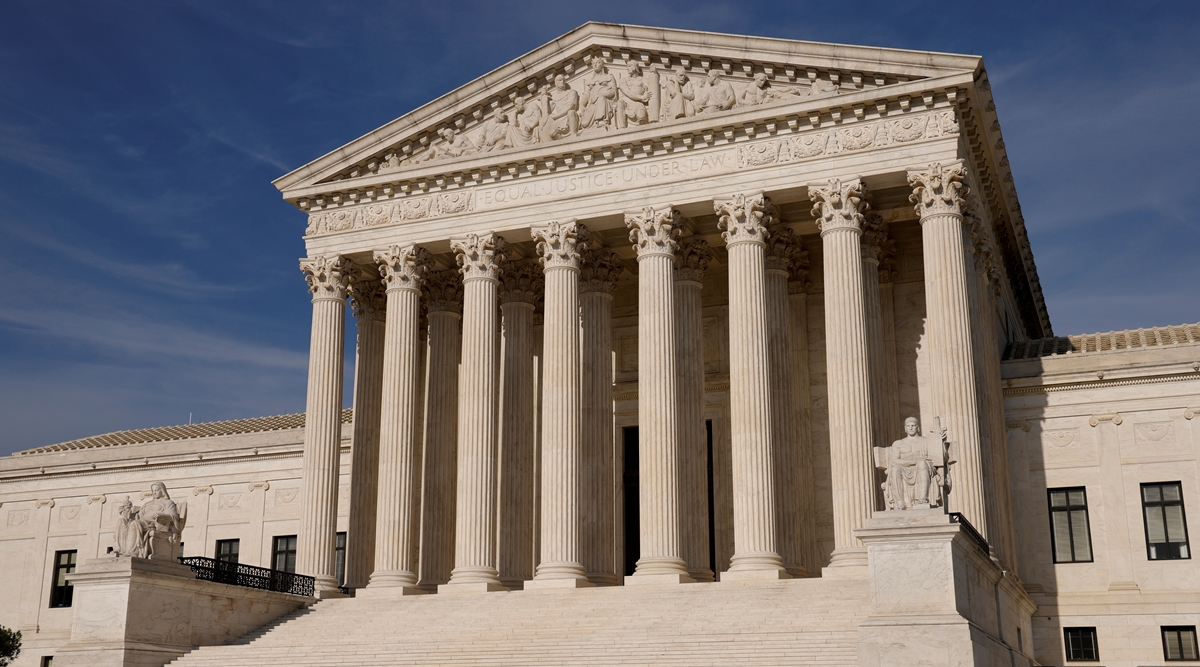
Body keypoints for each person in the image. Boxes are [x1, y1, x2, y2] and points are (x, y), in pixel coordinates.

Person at [874, 417, 952, 510]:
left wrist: (941, 442)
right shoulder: (898, 443)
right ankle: (899, 501)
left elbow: (940, 456)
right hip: (904, 469)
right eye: (908, 426)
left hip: (924, 468)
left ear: (918, 428)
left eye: (913, 426)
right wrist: (913, 461)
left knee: (922, 463)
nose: (910, 428)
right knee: (895, 469)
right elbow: (894, 461)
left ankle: (923, 499)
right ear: (905, 428)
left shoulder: (926, 441)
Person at [579, 58, 617, 130]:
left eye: (597, 62)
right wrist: (582, 104)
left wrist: (602, 93)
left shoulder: (609, 76)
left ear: (602, 65)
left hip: (606, 102)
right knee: (584, 124)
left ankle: (601, 121)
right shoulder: (590, 81)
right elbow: (586, 94)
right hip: (592, 103)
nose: (595, 65)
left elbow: (613, 91)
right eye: (593, 64)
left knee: (601, 99)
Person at [540, 74, 579, 142]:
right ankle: (565, 144)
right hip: (559, 120)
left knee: (571, 112)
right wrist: (544, 96)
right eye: (560, 80)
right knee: (552, 133)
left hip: (568, 117)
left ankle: (573, 137)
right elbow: (547, 113)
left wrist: (556, 116)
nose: (562, 82)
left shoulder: (571, 92)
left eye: (564, 80)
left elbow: (570, 107)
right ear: (555, 83)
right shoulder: (554, 98)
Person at [615, 61, 651, 128]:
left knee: (642, 115)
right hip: (626, 102)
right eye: (627, 66)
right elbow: (627, 92)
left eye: (629, 66)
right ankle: (622, 129)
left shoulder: (643, 80)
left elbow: (651, 89)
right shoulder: (623, 80)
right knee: (620, 103)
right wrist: (642, 97)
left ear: (635, 67)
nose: (627, 68)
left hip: (637, 103)